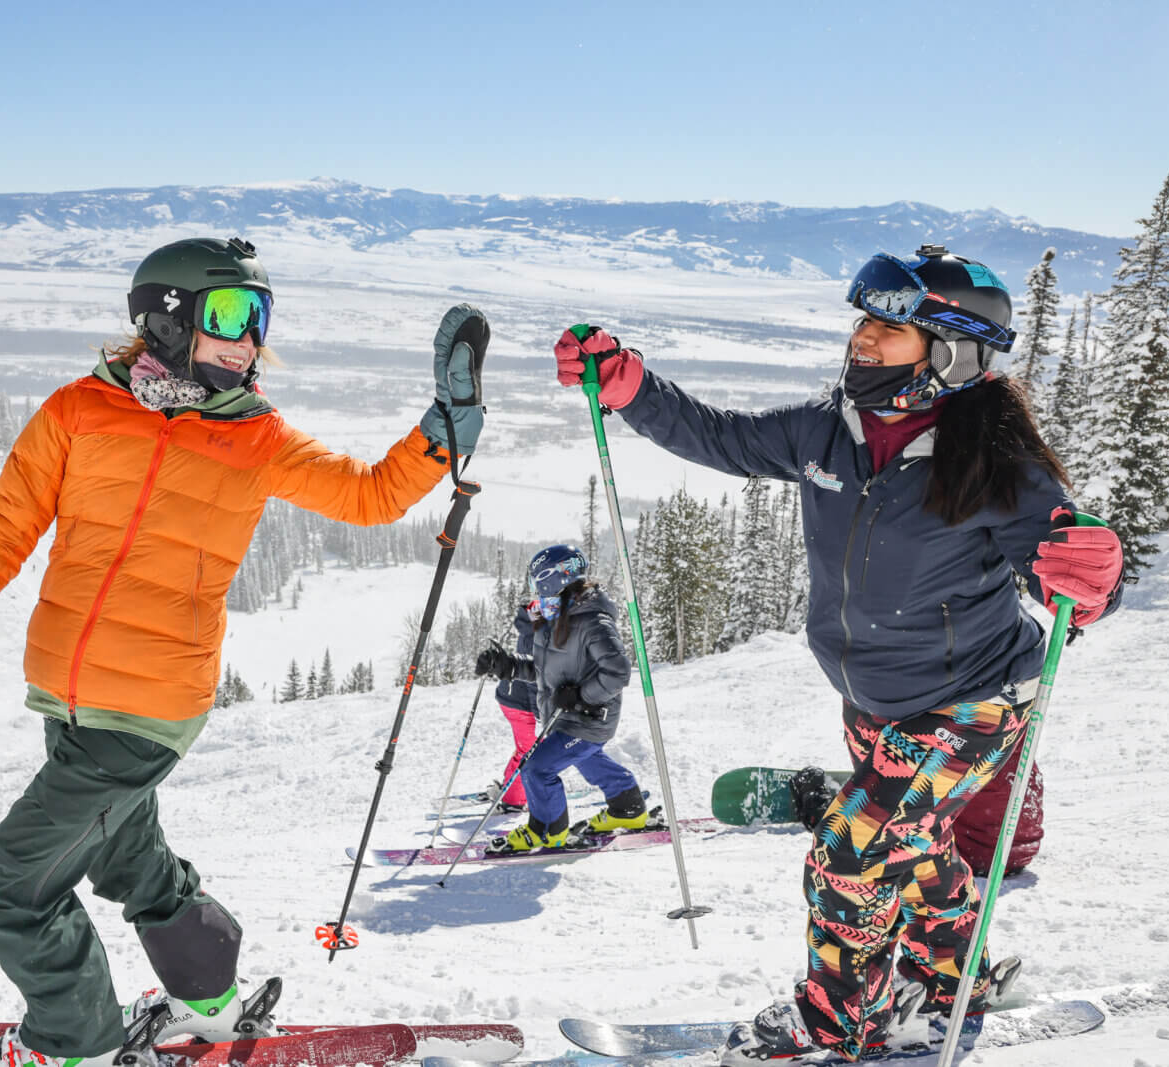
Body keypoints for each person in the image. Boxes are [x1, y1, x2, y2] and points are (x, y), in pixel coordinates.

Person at [0, 235, 490, 1067]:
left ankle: (72, 1047)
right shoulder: (78, 413)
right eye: (232, 313)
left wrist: (443, 430)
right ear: (164, 317)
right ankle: (210, 1002)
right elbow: (3, 529)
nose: (249, 337)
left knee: (16, 891)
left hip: (148, 708)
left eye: (258, 317)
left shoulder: (257, 437)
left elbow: (371, 494)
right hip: (69, 698)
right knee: (135, 861)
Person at [552, 245, 1124, 1063]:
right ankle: (953, 974)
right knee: (916, 848)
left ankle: (836, 1023)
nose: (863, 336)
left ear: (950, 352)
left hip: (975, 701)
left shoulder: (996, 463)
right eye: (864, 318)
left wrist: (1097, 577)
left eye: (890, 326)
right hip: (876, 700)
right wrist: (631, 388)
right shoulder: (830, 429)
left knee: (852, 850)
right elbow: (721, 436)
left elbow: (1071, 572)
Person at [473, 544, 649, 853]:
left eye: (537, 581)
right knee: (588, 760)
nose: (535, 590)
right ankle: (628, 807)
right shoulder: (555, 617)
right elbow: (544, 669)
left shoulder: (594, 621)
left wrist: (582, 697)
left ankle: (547, 831)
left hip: (589, 718)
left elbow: (618, 672)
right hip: (567, 716)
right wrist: (509, 666)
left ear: (555, 579)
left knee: (537, 768)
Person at [791, 750, 1045, 878]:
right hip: (1020, 846)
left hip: (975, 851)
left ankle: (828, 816)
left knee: (877, 832)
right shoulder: (1009, 707)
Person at [486, 597, 543, 813]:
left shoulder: (533, 626)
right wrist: (540, 715)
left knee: (526, 748)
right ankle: (513, 800)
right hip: (522, 704)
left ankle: (510, 786)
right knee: (531, 751)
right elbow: (534, 679)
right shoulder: (537, 634)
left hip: (513, 699)